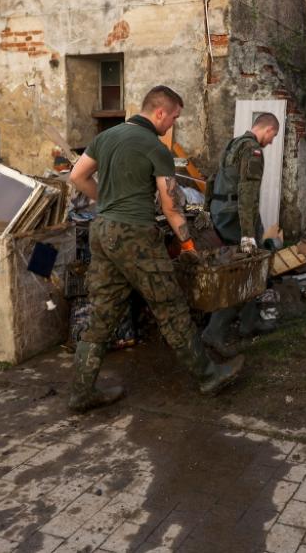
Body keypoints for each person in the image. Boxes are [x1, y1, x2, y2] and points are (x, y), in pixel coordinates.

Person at [67, 85, 243, 413]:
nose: (173, 123)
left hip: (102, 231)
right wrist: (188, 245)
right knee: (170, 306)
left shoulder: (105, 137)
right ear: (160, 112)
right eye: (174, 117)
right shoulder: (155, 147)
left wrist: (107, 202)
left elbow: (77, 176)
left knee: (103, 312)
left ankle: (81, 392)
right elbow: (171, 207)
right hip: (135, 235)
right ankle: (209, 376)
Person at [201, 113, 280, 356]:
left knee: (248, 269)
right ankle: (214, 331)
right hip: (236, 216)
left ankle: (248, 323)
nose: (271, 142)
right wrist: (248, 234)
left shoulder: (232, 144)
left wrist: (207, 209)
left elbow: (213, 178)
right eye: (273, 136)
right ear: (267, 129)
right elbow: (247, 194)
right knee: (245, 271)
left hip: (221, 211)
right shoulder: (252, 150)